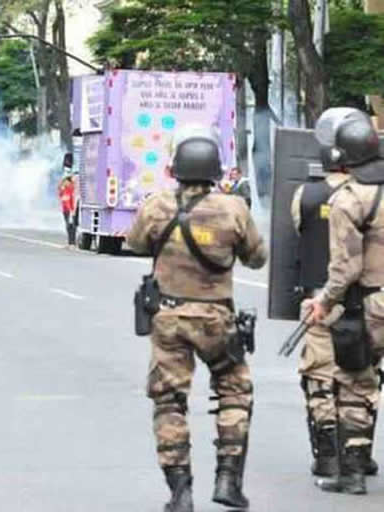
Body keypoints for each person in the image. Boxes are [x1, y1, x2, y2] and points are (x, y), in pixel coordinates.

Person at [127, 124, 267, 512]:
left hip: (169, 317)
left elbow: (134, 242)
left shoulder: (157, 206)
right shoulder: (233, 209)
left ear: (174, 169)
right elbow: (258, 258)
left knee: (170, 402)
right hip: (217, 319)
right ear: (216, 171)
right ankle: (228, 480)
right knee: (234, 391)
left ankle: (180, 492)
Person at [288, 114, 379, 479]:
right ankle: (358, 454)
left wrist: (324, 298)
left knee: (322, 376)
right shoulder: (369, 194)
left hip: (330, 299)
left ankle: (329, 455)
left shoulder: (311, 195)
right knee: (365, 375)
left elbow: (298, 234)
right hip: (364, 301)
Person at [59, 174, 77, 249]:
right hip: (68, 210)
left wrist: (71, 210)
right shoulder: (67, 188)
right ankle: (71, 243)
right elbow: (64, 199)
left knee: (70, 227)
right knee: (70, 226)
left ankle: (71, 243)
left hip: (69, 210)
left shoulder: (69, 188)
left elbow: (66, 200)